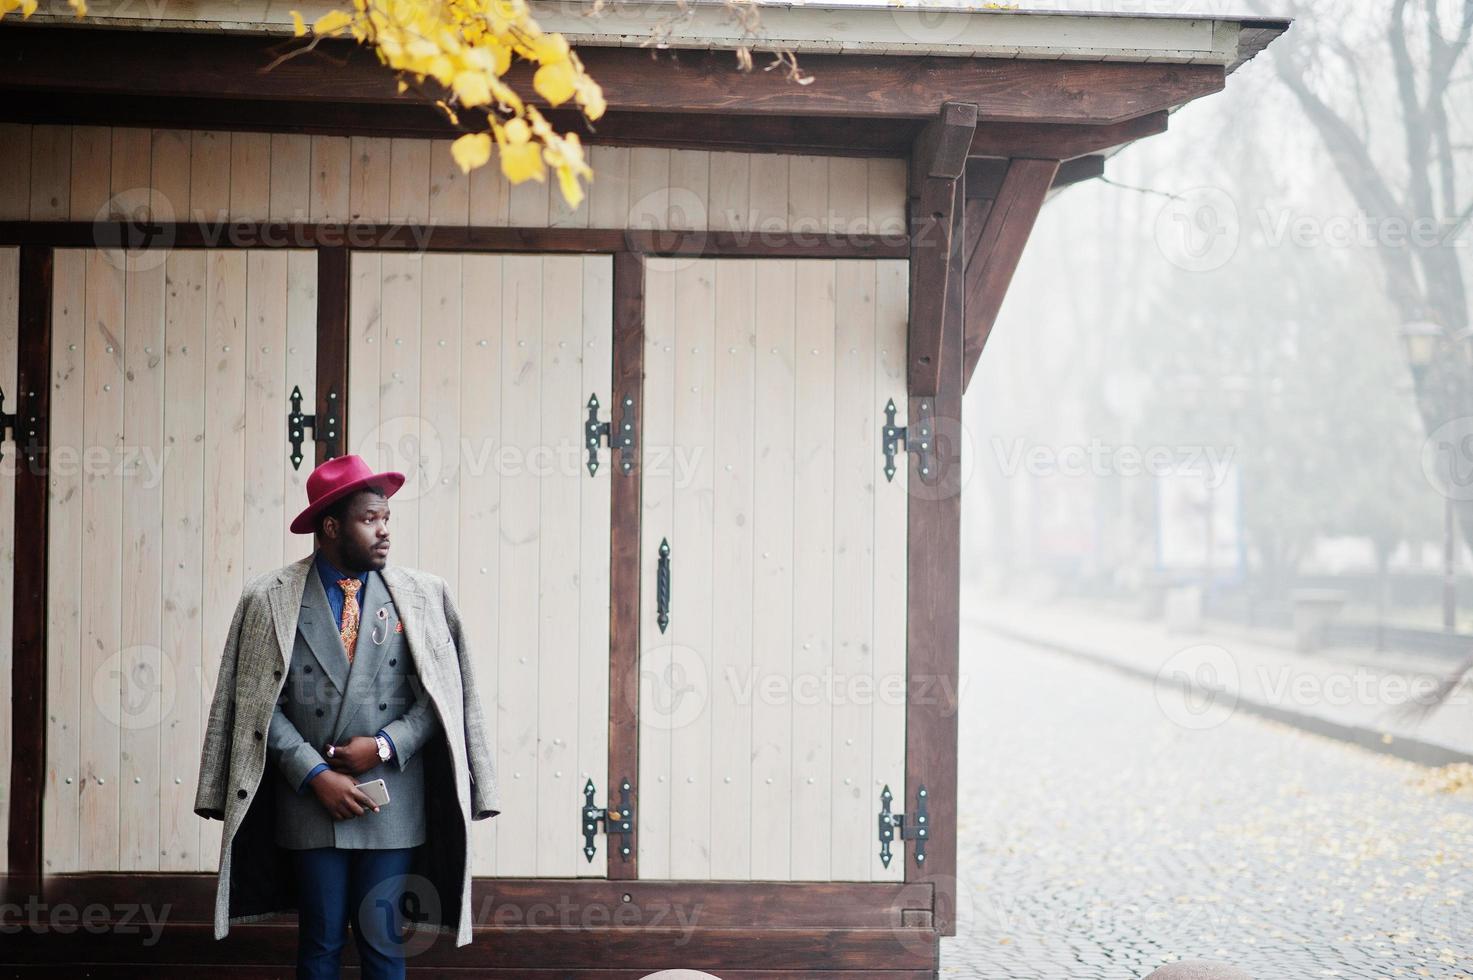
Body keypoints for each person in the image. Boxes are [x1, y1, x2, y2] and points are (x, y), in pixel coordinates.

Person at [194, 454, 500, 975]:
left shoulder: (425, 596)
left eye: (387, 519)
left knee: (383, 943)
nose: (384, 532)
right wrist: (315, 774)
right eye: (370, 519)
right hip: (309, 803)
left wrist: (382, 746)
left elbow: (442, 700)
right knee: (320, 941)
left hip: (391, 803)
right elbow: (257, 704)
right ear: (331, 526)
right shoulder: (268, 598)